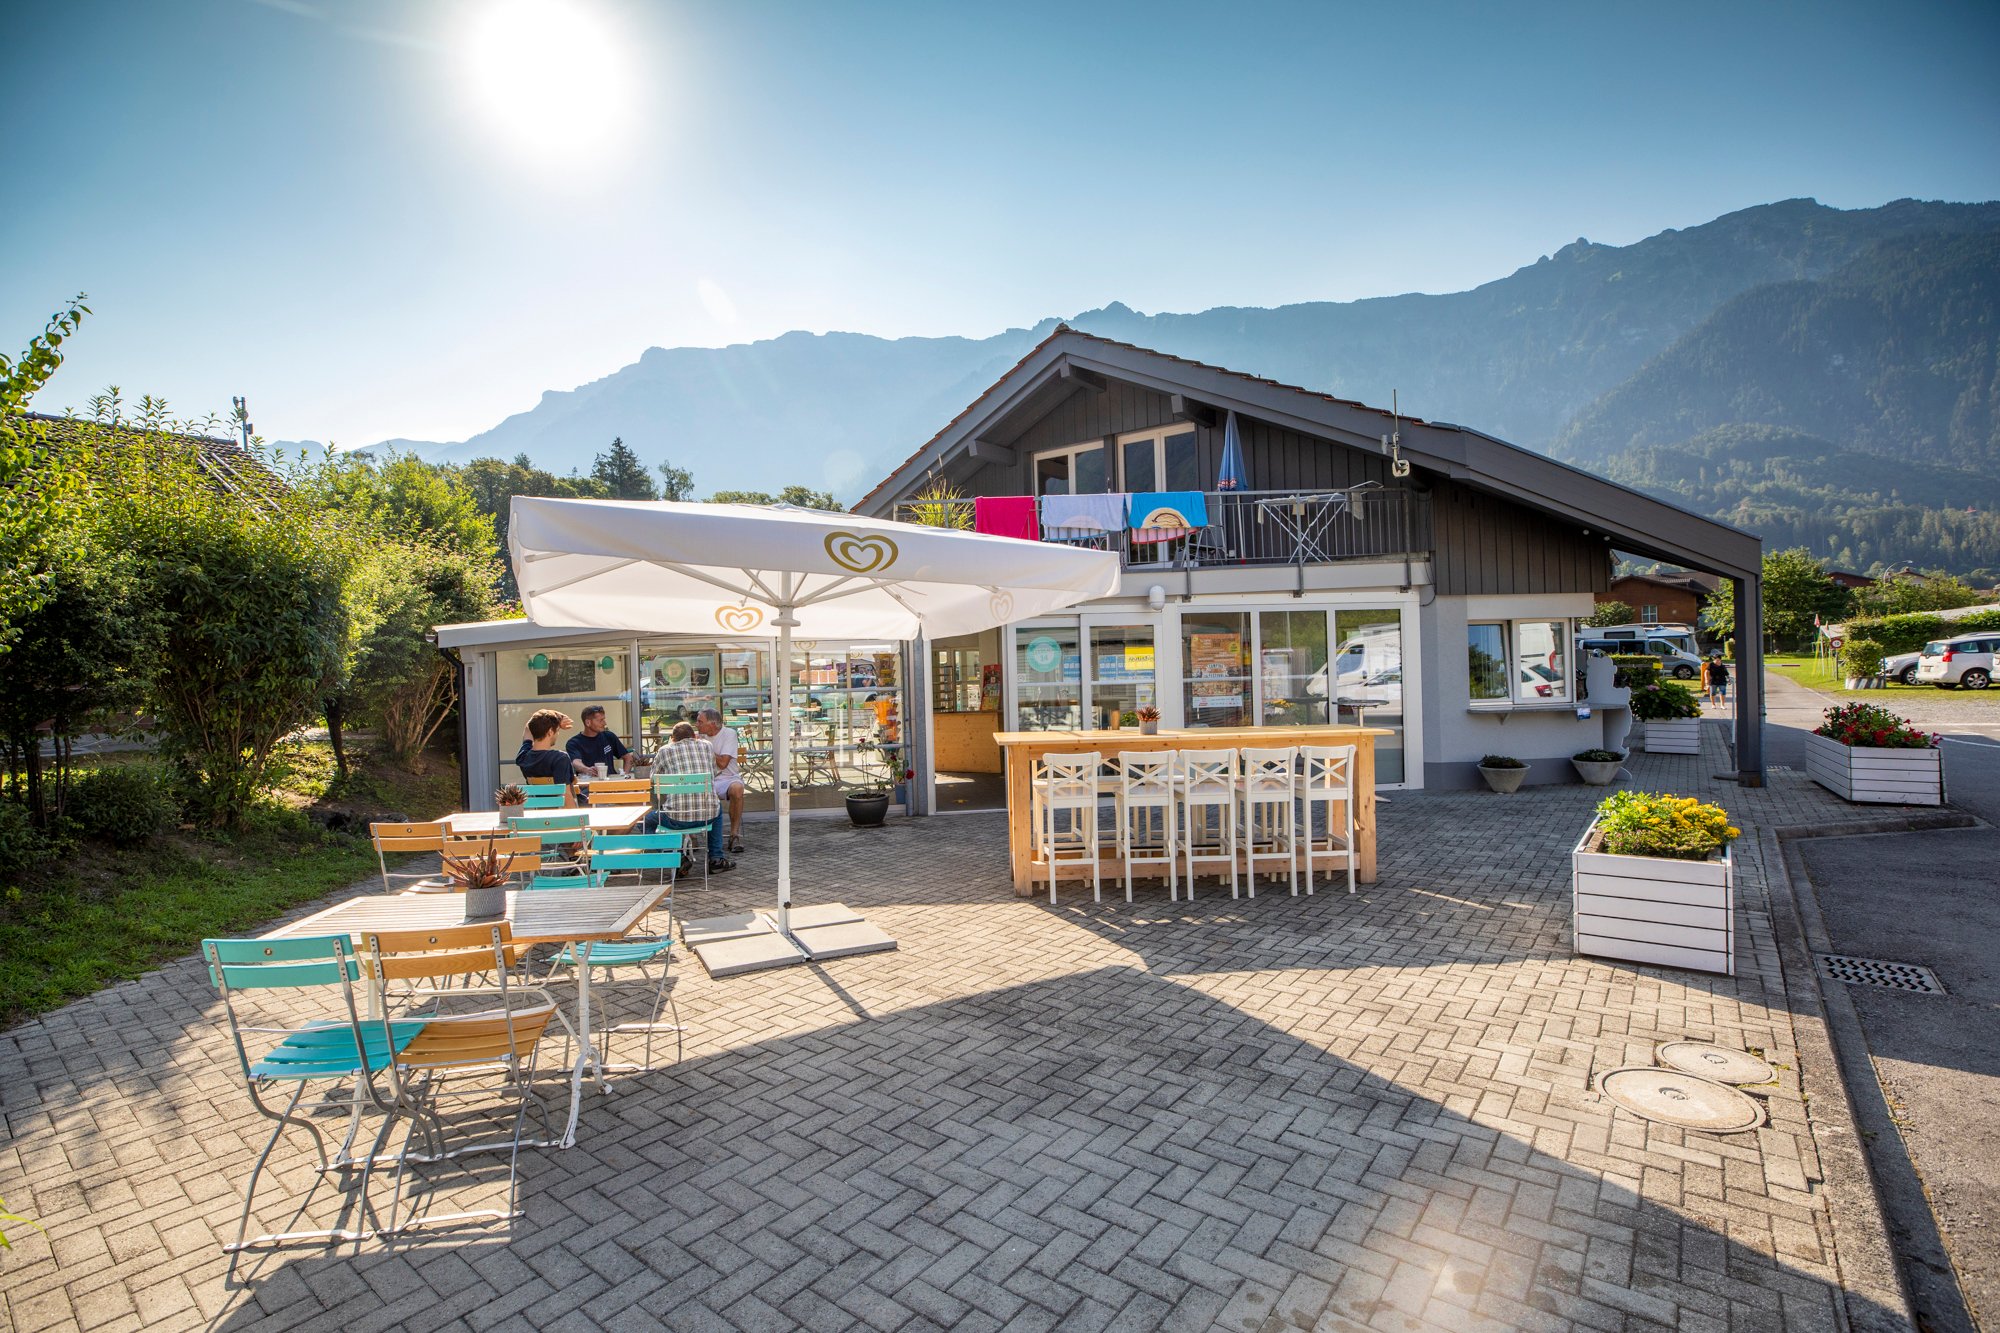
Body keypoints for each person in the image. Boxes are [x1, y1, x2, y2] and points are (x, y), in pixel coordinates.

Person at [645, 722, 733, 873]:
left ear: (673, 739)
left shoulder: (664, 750)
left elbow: (653, 778)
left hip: (675, 818)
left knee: (645, 821)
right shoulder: (706, 746)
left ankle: (675, 857)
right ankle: (716, 858)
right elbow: (713, 771)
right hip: (707, 815)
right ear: (694, 736)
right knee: (716, 807)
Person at [695, 707, 745, 854]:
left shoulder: (729, 734)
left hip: (727, 778)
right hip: (705, 778)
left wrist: (705, 747)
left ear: (713, 724)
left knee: (737, 789)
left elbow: (723, 763)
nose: (696, 724)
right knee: (685, 790)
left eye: (700, 721)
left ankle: (734, 835)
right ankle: (690, 836)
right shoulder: (698, 736)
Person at [515, 710, 576, 789]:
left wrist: (557, 717)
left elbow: (528, 727)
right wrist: (559, 716)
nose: (557, 734)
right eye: (557, 730)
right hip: (558, 801)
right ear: (550, 731)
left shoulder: (523, 757)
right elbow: (566, 795)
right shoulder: (560, 758)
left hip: (538, 801)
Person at [566, 704, 631, 777]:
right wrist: (587, 770)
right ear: (588, 722)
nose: (604, 723)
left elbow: (628, 758)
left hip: (611, 783)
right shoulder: (574, 743)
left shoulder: (609, 736)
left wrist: (624, 777)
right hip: (588, 785)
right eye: (600, 720)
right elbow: (576, 762)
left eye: (604, 719)